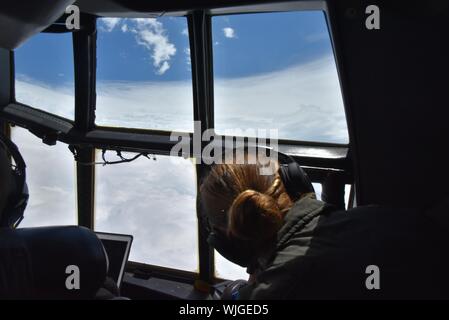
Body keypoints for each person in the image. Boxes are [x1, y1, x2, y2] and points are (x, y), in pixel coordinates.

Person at [200, 148, 449, 299]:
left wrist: (240, 290)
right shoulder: (377, 216)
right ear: (296, 182)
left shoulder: (277, 289)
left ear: (229, 244)